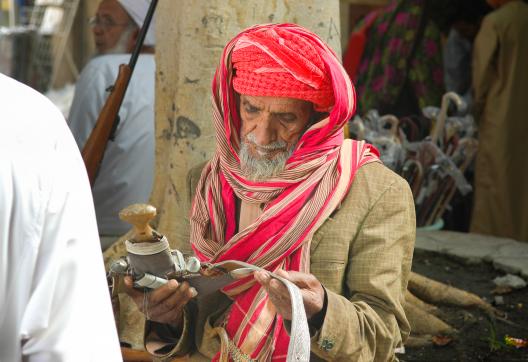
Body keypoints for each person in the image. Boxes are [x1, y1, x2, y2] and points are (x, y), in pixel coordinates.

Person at [124, 24, 416, 361]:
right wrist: (168, 316)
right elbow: (198, 311)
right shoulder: (209, 183)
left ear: (316, 119)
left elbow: (382, 337)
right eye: (251, 110)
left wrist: (320, 312)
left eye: (286, 117)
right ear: (234, 105)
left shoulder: (378, 192)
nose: (262, 137)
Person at [0, 73, 122, 361]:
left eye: (106, 23)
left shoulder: (33, 121)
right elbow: (70, 347)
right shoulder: (31, 120)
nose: (98, 29)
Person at [67, 0, 156, 249]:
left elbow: (73, 158)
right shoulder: (168, 70)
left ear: (137, 33)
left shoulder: (101, 70)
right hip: (153, 230)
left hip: (100, 232)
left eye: (108, 22)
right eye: (97, 21)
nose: (97, 29)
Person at [470, 0, 528, 242]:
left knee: (496, 186)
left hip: (500, 116)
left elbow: (481, 78)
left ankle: (494, 245)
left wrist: (477, 110)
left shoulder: (496, 23)